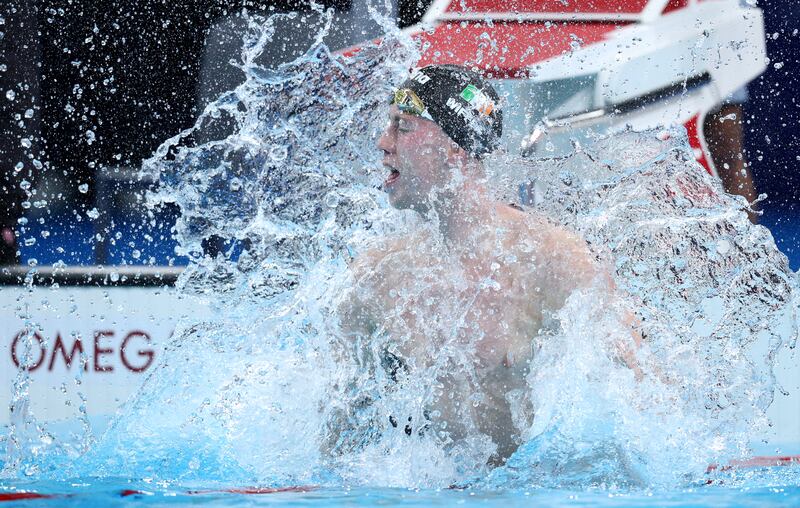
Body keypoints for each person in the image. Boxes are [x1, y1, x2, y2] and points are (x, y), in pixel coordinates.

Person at [337, 65, 641, 464]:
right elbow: (340, 423)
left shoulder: (551, 259)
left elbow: (640, 392)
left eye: (403, 127)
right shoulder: (376, 274)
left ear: (455, 147)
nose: (382, 142)